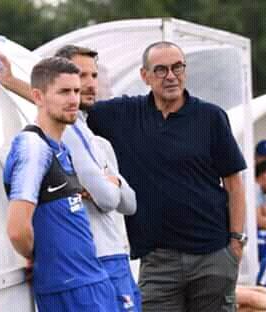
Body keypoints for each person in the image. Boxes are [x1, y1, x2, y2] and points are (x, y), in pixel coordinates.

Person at [86, 41, 247, 312]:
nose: (171, 76)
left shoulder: (210, 117)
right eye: (160, 70)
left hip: (212, 256)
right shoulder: (125, 115)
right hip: (158, 261)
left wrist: (236, 243)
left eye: (177, 68)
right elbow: (63, 104)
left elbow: (234, 184)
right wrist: (9, 80)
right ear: (145, 76)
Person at [0, 45, 141, 311]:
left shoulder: (76, 142)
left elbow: (129, 202)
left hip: (94, 275)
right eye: (70, 87)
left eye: (79, 88)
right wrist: (41, 255)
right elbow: (17, 228)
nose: (78, 94)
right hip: (75, 281)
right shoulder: (33, 146)